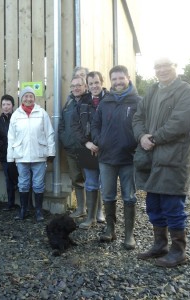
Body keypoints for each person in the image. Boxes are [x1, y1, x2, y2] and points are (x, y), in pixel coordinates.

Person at [132, 57, 190, 267]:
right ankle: (160, 245)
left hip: (173, 159)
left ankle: (179, 251)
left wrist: (154, 138)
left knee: (172, 206)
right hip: (152, 159)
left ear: (175, 67)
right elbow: (137, 118)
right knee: (154, 205)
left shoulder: (186, 92)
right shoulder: (152, 91)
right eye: (157, 66)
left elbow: (180, 123)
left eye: (166, 66)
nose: (161, 70)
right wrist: (141, 136)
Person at [91, 65, 140, 250]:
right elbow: (95, 124)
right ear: (111, 81)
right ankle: (110, 230)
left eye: (121, 78)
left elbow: (143, 125)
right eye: (115, 79)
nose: (118, 82)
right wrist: (98, 139)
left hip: (129, 158)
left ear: (128, 78)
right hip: (107, 158)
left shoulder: (137, 101)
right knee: (108, 194)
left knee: (129, 196)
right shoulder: (105, 102)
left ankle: (129, 234)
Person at [7, 87, 55, 222]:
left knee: (38, 184)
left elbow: (49, 133)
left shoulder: (42, 113)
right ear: (21, 98)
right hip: (21, 155)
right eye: (25, 96)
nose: (28, 99)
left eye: (31, 96)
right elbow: (11, 137)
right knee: (23, 183)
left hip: (38, 154)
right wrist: (10, 157)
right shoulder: (16, 115)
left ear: (34, 98)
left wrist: (51, 152)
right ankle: (23, 209)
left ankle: (38, 210)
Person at [71, 71, 108, 229]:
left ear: (102, 82)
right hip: (88, 148)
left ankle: (102, 213)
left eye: (96, 82)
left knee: (105, 184)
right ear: (88, 85)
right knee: (91, 183)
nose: (94, 86)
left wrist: (100, 144)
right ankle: (91, 217)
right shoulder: (83, 102)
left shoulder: (110, 100)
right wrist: (86, 143)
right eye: (91, 83)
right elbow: (75, 125)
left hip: (106, 149)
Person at [58, 75, 91, 219]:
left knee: (91, 180)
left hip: (87, 149)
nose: (76, 88)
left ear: (85, 87)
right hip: (71, 149)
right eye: (73, 86)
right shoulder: (68, 103)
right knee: (76, 178)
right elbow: (61, 125)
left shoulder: (90, 102)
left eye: (79, 85)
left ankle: (96, 210)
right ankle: (81, 208)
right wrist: (65, 139)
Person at [0, 94, 18, 211]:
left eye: (8, 104)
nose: (6, 107)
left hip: (18, 155)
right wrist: (8, 151)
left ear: (13, 106)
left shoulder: (17, 119)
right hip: (5, 156)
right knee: (8, 179)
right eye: (4, 104)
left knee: (22, 179)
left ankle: (27, 204)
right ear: (1, 106)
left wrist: (15, 150)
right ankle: (10, 203)